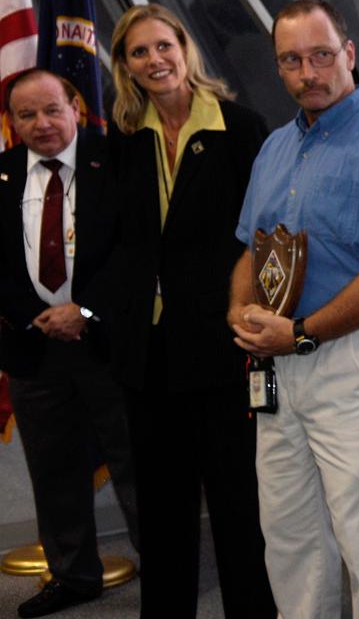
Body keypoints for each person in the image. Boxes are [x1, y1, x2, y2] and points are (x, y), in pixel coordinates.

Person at [229, 0, 359, 619]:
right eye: (291, 60)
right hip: (279, 364)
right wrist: (239, 310)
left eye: (321, 55)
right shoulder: (274, 148)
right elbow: (251, 246)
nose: (308, 72)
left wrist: (299, 332)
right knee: (292, 540)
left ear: (349, 55)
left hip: (355, 359)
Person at [108, 4, 275, 619]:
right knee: (162, 509)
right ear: (125, 67)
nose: (155, 61)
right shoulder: (124, 140)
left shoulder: (241, 127)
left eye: (163, 46)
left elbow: (264, 237)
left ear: (186, 48)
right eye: (139, 53)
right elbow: (113, 241)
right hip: (149, 357)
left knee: (238, 506)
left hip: (225, 348)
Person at [0, 69, 139, 618]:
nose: (42, 124)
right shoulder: (3, 173)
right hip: (34, 348)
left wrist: (83, 310)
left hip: (107, 340)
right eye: (26, 115)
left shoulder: (117, 160)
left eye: (51, 110)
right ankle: (73, 576)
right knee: (54, 469)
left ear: (75, 107)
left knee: (137, 462)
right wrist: (39, 315)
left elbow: (135, 248)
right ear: (11, 122)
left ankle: (171, 565)